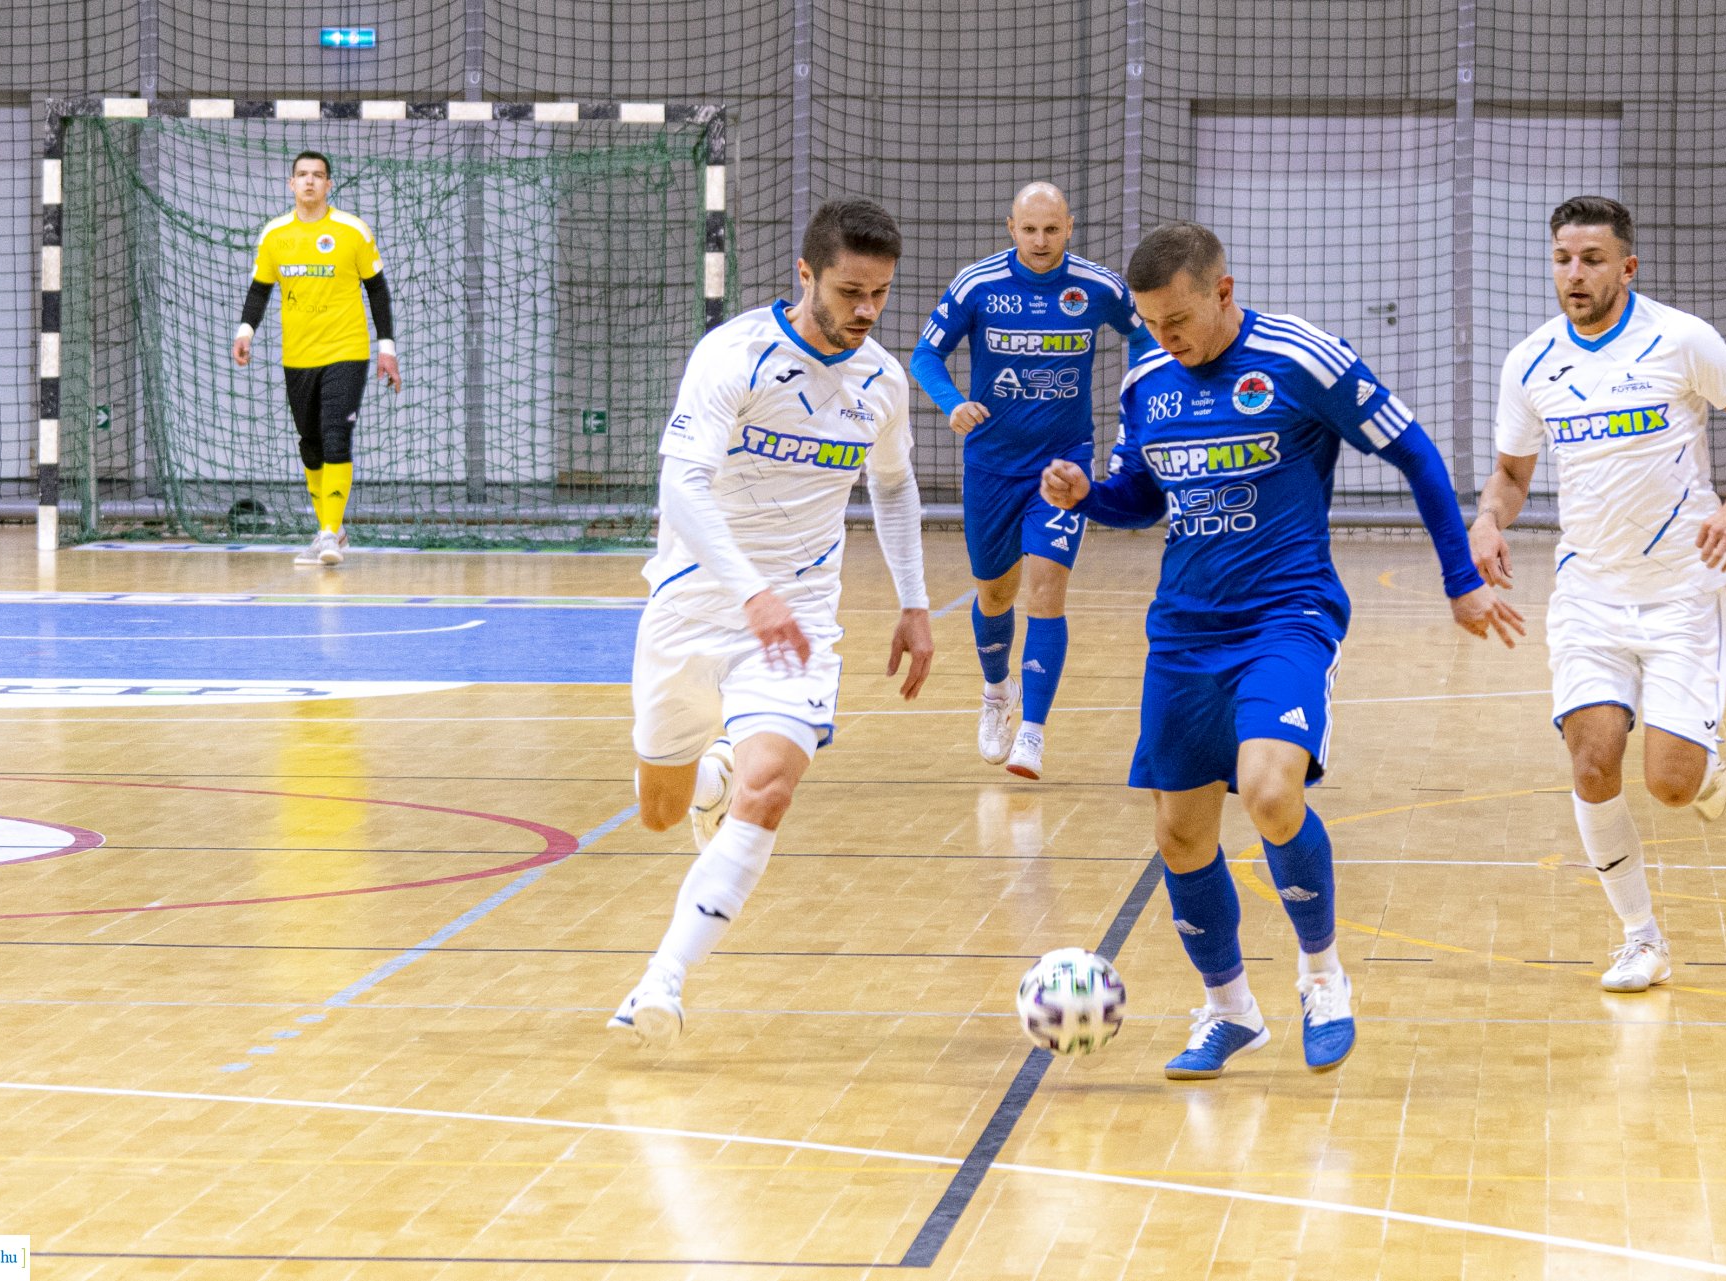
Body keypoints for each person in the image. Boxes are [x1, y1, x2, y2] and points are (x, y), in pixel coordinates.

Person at [1042, 221, 1523, 1079]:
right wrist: (1087, 496)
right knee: (1180, 835)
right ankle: (1230, 1010)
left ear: (1223, 291)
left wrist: (1461, 578)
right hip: (1183, 630)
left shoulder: (1303, 357)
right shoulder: (1148, 380)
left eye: (1178, 319)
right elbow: (1141, 497)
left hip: (1285, 616)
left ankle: (1322, 977)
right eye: (1150, 323)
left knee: (1269, 790)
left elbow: (1414, 451)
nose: (1164, 337)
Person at [609, 198, 935, 1050]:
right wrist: (750, 593)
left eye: (881, 293)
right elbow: (681, 485)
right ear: (805, 275)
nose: (867, 310)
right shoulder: (734, 355)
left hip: (799, 620)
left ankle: (662, 979)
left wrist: (914, 600)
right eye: (850, 291)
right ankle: (707, 780)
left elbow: (892, 484)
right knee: (659, 810)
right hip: (692, 608)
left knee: (773, 788)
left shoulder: (882, 383)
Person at [1471, 195, 1726, 993]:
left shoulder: (1679, 339)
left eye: (1591, 259)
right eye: (1562, 259)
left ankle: (1703, 763)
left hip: (1682, 591)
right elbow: (1511, 473)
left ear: (1627, 266)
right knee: (1592, 763)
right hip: (1589, 596)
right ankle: (1640, 938)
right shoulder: (1531, 362)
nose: (1574, 274)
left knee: (1672, 785)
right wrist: (1487, 519)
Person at [912, 183, 1154, 779]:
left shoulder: (1099, 288)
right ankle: (998, 692)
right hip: (991, 465)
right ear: (1010, 228)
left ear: (1069, 227)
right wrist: (952, 403)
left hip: (1062, 465)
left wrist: (1140, 408)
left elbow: (1145, 339)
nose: (1040, 241)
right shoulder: (978, 285)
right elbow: (924, 355)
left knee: (1047, 590)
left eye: (1051, 229)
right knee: (995, 595)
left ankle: (1033, 734)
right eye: (1029, 229)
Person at [231, 150, 400, 566]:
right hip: (298, 355)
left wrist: (387, 347)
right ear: (291, 184)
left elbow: (377, 289)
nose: (309, 181)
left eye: (318, 175)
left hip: (346, 350)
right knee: (311, 444)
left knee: (336, 435)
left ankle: (327, 533)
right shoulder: (275, 234)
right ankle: (332, 530)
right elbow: (260, 289)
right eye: (302, 175)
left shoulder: (352, 230)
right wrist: (245, 331)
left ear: (329, 185)